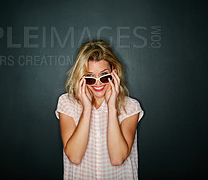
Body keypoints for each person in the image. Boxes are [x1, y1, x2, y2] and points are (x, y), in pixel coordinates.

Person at [55, 39, 144, 179]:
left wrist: (112, 108)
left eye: (104, 76)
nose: (97, 84)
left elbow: (117, 159)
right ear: (81, 77)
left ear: (114, 73)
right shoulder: (67, 103)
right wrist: (87, 109)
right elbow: (74, 157)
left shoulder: (131, 107)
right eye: (90, 78)